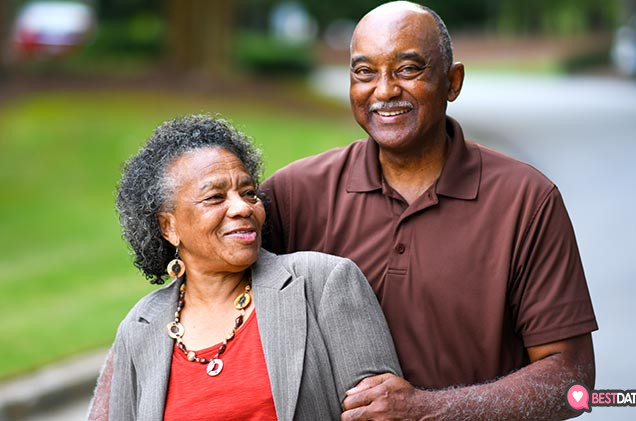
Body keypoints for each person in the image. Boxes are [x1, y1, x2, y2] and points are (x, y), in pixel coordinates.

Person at [262, 1, 598, 420]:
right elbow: (209, 284)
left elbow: (572, 379)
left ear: (452, 81)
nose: (383, 90)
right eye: (364, 72)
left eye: (407, 69)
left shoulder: (526, 200)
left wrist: (427, 410)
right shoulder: (296, 193)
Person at [87, 115, 401, 420]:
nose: (242, 208)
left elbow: (383, 414)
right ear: (168, 227)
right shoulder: (140, 328)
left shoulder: (323, 283)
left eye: (248, 193)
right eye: (214, 197)